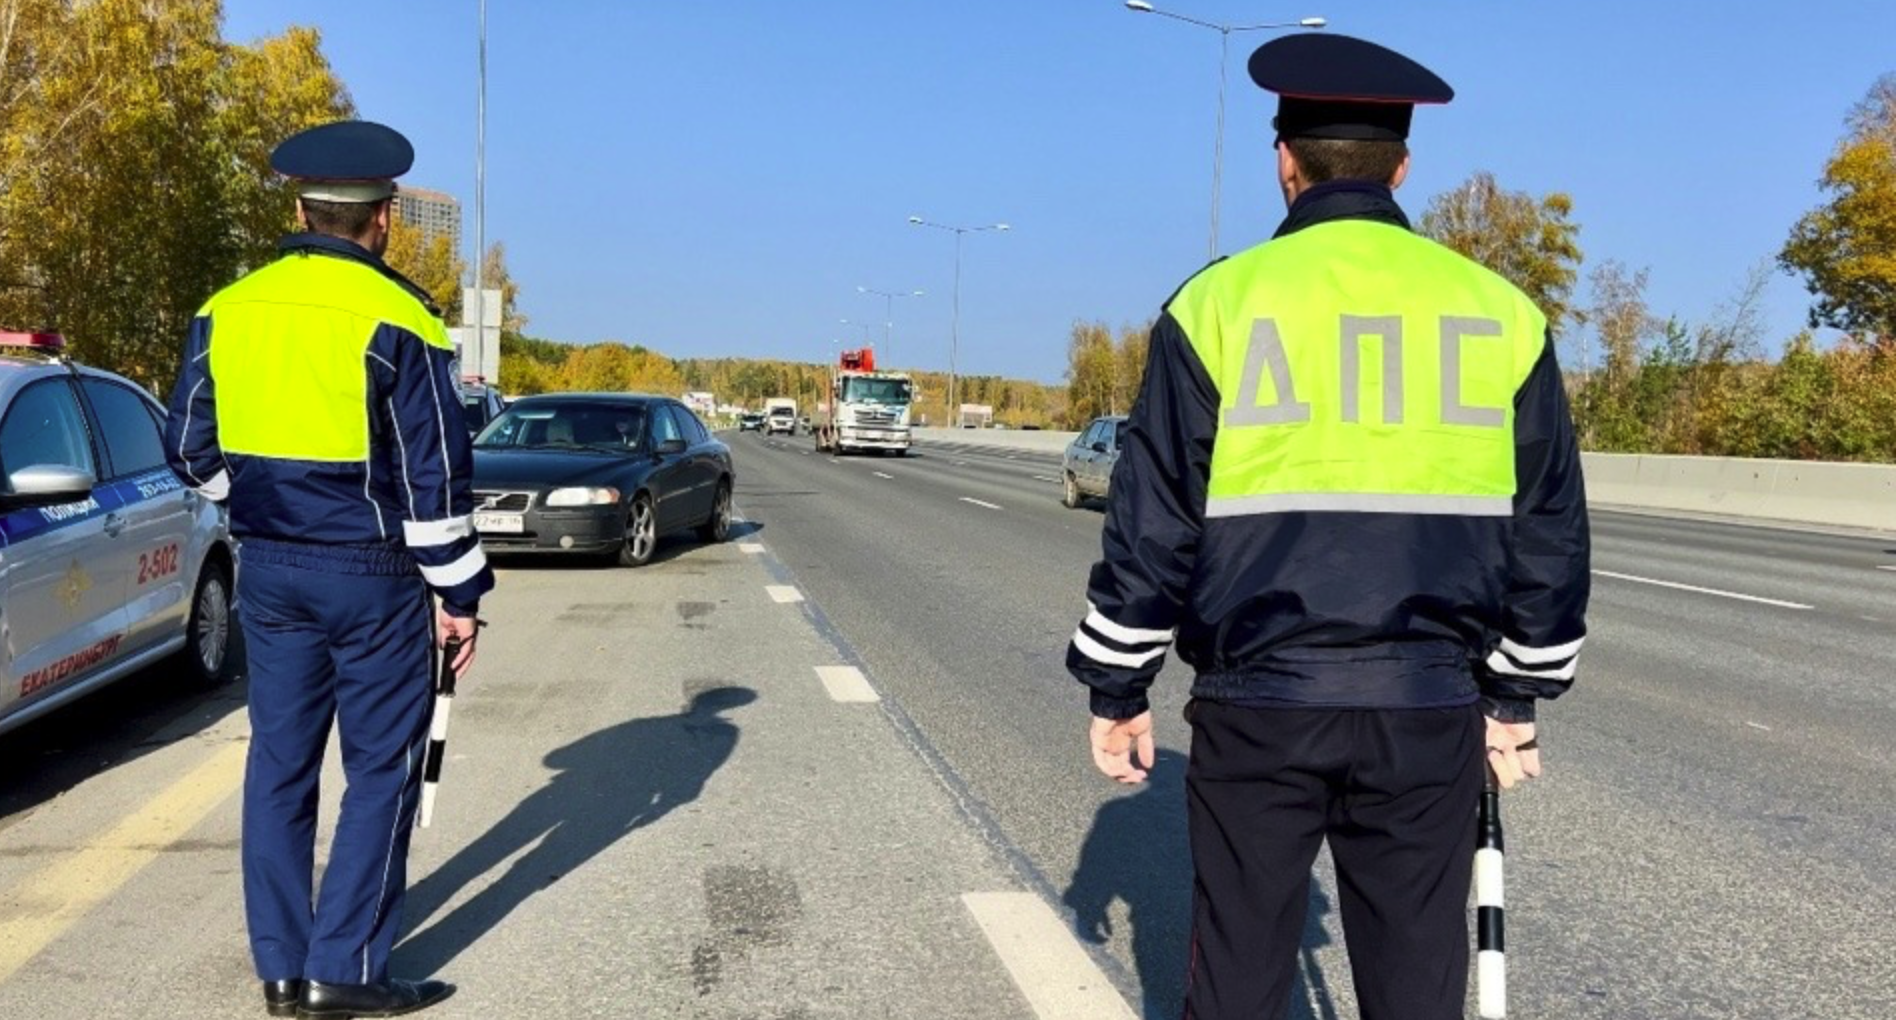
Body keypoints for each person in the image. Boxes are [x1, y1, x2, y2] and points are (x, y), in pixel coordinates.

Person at [1067, 34, 1589, 1020]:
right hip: (1430, 707)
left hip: (1258, 703)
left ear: (1285, 163)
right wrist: (1517, 699)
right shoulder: (1501, 313)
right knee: (1416, 984)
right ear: (1402, 165)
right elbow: (1550, 530)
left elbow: (1156, 519)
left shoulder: (1218, 303)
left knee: (1235, 977)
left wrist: (1118, 683)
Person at [166, 120, 495, 1019]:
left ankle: (279, 969)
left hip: (270, 571)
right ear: (383, 219)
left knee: (278, 764)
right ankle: (341, 972)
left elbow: (188, 448)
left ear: (301, 207)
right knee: (380, 770)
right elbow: (434, 480)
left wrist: (261, 501)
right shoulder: (402, 319)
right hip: (374, 577)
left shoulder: (226, 309)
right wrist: (459, 598)